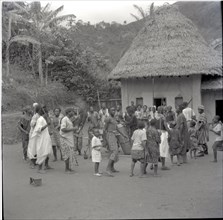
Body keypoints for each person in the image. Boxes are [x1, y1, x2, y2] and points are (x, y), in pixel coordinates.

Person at [29, 106, 53, 174]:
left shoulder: (44, 119)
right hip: (41, 139)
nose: (47, 114)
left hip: (46, 138)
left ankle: (46, 165)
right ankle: (39, 169)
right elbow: (38, 130)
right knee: (42, 152)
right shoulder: (40, 119)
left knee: (48, 151)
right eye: (46, 112)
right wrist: (46, 125)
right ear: (43, 112)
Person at [60, 107, 78, 174]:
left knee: (70, 154)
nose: (73, 112)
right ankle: (66, 169)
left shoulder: (68, 119)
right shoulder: (64, 119)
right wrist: (73, 129)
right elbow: (63, 129)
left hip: (68, 139)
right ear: (68, 112)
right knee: (66, 154)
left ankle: (69, 168)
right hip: (65, 139)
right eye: (72, 111)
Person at [104, 107, 120, 177]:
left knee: (113, 152)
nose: (113, 111)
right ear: (109, 111)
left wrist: (122, 135)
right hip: (110, 135)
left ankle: (112, 168)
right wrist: (105, 139)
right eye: (112, 110)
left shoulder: (114, 118)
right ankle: (108, 169)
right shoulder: (108, 118)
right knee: (114, 151)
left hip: (114, 135)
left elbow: (116, 128)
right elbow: (105, 129)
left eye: (114, 110)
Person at [27, 103, 41, 169]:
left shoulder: (40, 116)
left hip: (38, 134)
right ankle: (32, 163)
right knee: (33, 148)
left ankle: (36, 161)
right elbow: (32, 124)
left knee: (37, 148)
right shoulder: (35, 116)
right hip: (34, 134)